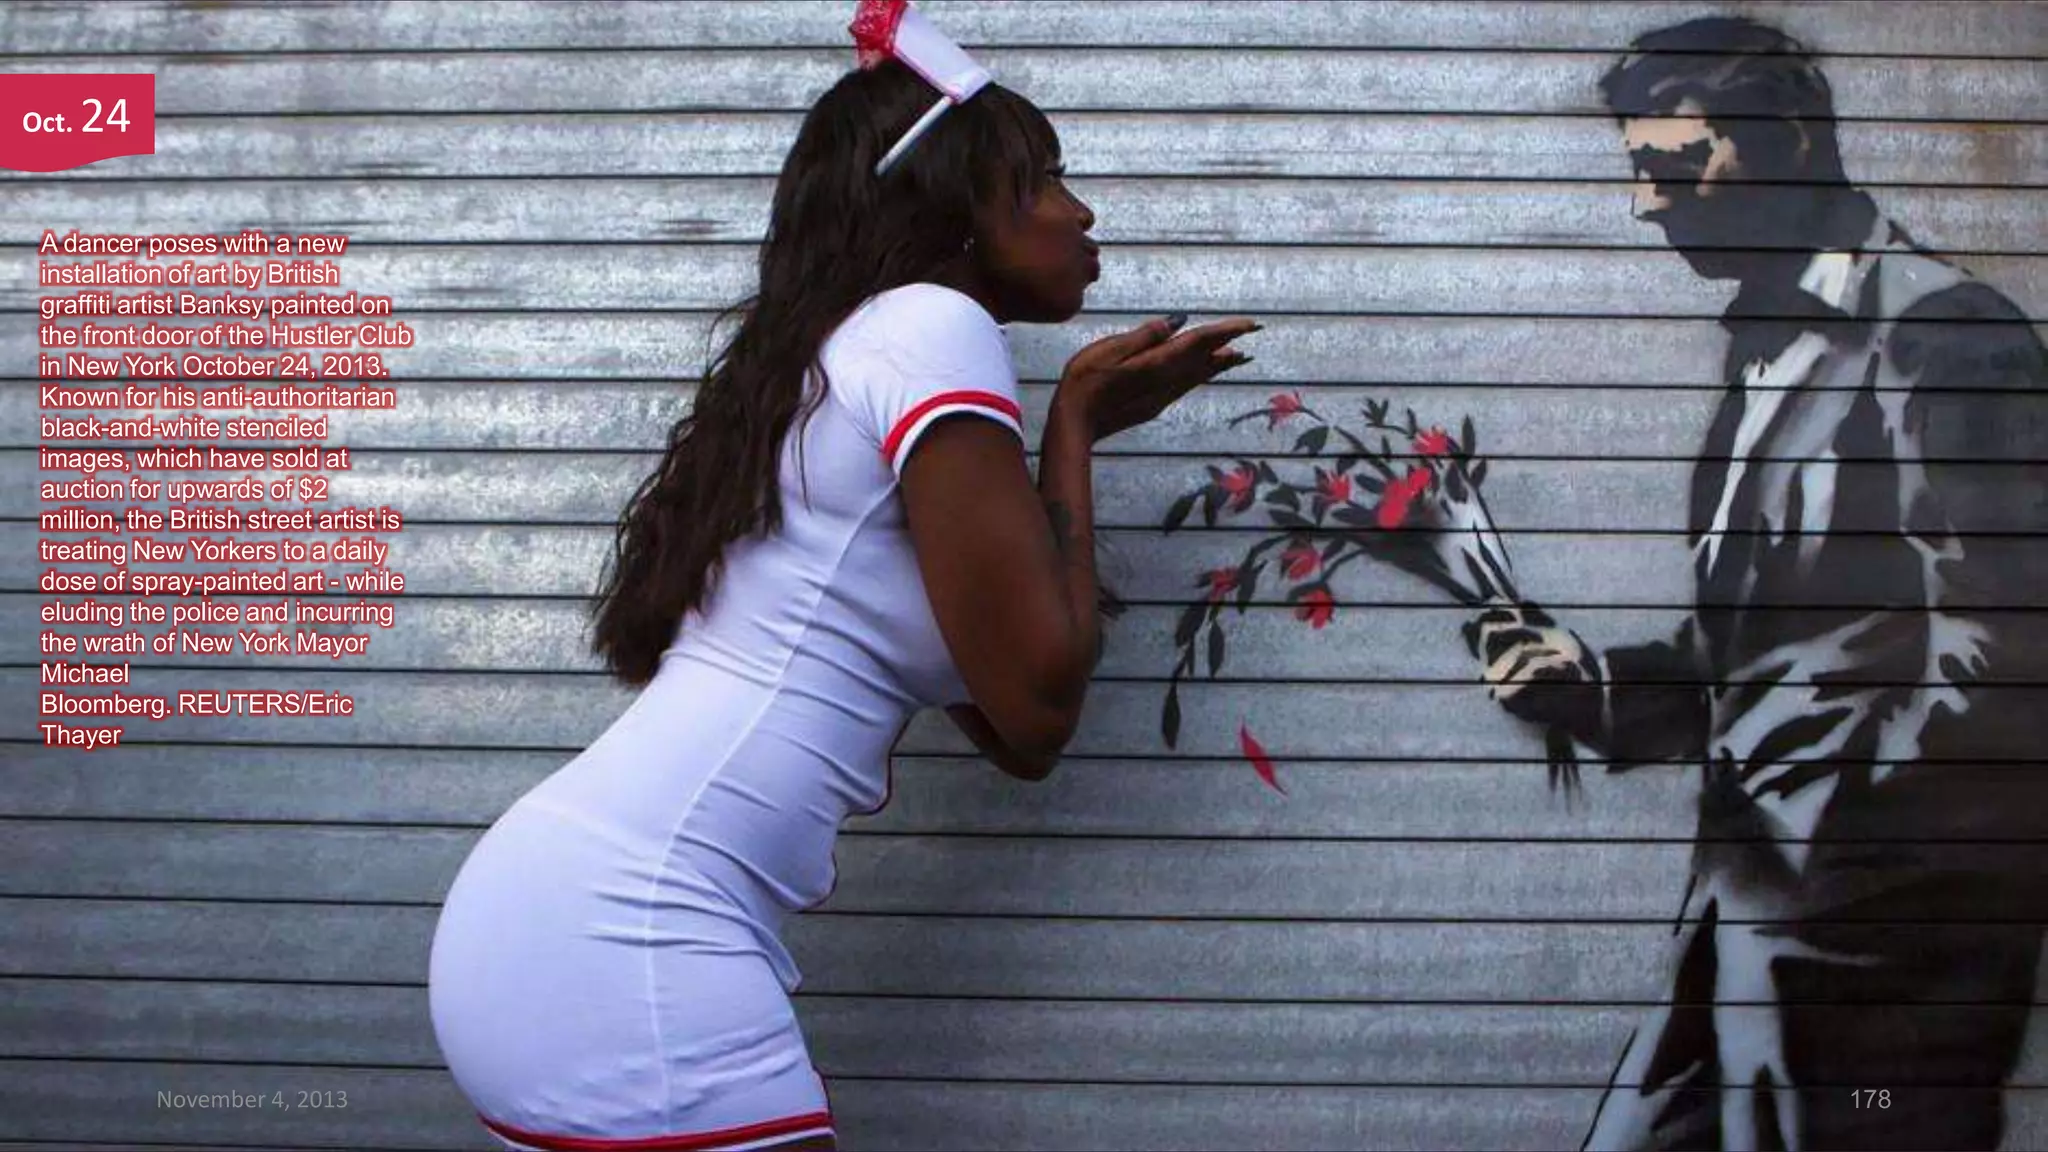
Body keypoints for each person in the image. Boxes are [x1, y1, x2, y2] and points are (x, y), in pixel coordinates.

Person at [426, 4, 1259, 1149]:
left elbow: (1014, 739)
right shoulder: (928, 326)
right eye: (1046, 178)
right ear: (958, 206)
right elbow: (1042, 701)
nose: (1080, 212)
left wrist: (1070, 430)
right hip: (633, 939)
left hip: (561, 923)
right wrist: (1070, 421)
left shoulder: (842, 364)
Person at [1468, 17, 2048, 1151]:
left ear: (1787, 139)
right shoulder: (1773, 341)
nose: (1646, 205)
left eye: (1677, 166)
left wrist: (1823, 817)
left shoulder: (1943, 335)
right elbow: (1771, 652)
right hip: (1755, 920)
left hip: (1883, 963)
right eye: (1638, 171)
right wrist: (1593, 691)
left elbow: (2010, 661)